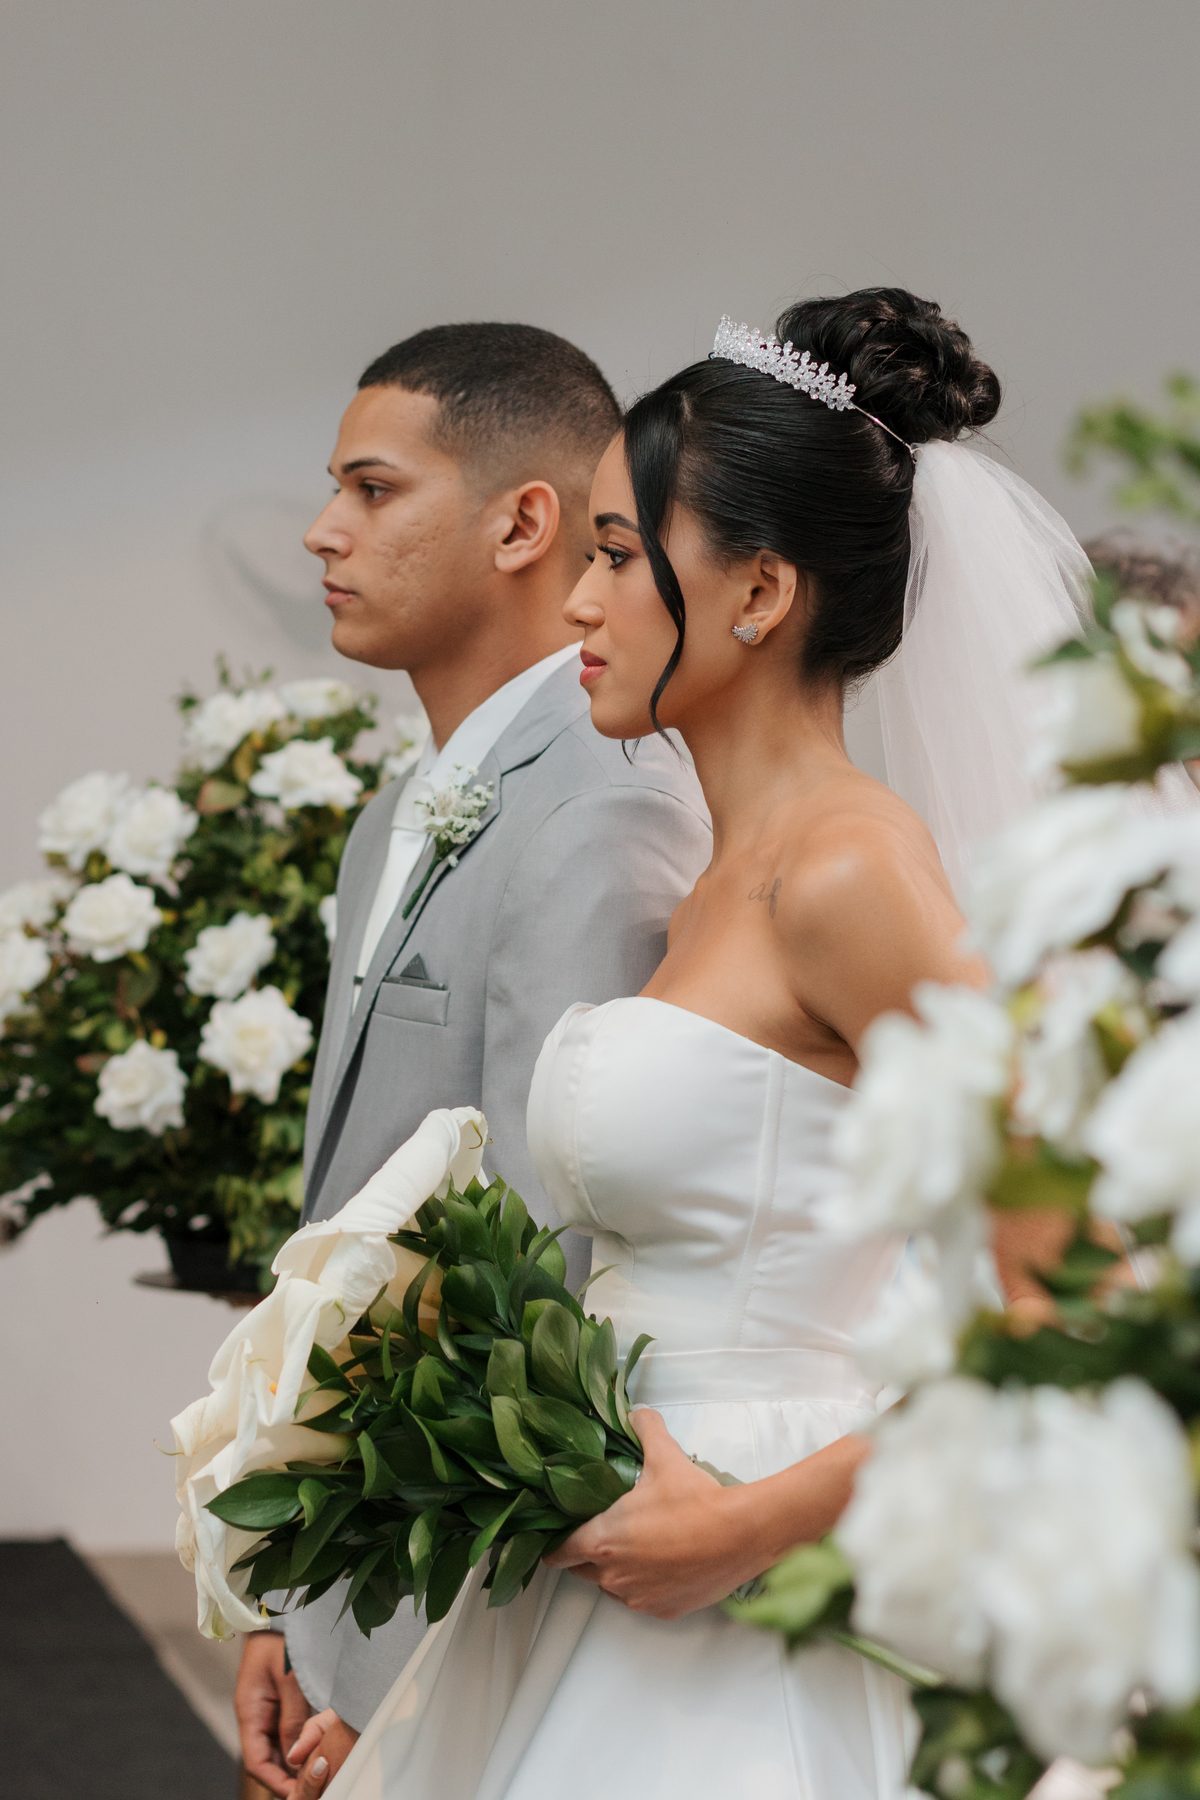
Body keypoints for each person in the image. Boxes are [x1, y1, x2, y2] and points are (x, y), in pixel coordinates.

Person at [317, 288, 1089, 1800]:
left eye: (617, 555)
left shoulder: (851, 874)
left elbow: (1070, 1302)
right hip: (621, 1554)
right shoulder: (720, 876)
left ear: (760, 592)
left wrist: (752, 1522)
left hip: (752, 1573)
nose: (580, 606)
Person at [233, 322, 712, 1798]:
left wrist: (391, 1677)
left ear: (522, 524)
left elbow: (549, 1278)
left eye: (373, 489)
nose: (323, 530)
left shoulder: (602, 808)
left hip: (459, 1613)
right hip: (350, 1570)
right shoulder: (400, 813)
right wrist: (283, 1592)